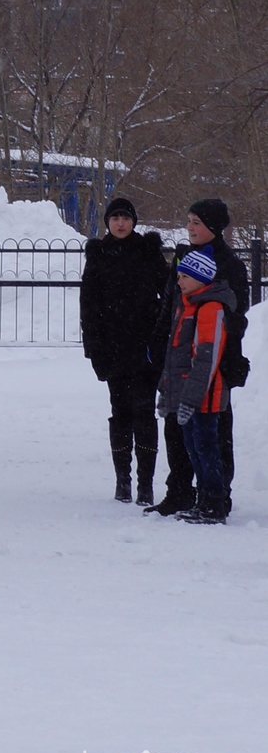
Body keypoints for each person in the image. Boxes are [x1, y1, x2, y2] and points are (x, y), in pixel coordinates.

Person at [147, 199, 251, 518]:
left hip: (214, 359)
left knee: (213, 430)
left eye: (197, 222)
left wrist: (214, 335)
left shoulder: (230, 263)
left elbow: (237, 313)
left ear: (214, 227)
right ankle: (179, 490)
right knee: (176, 427)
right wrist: (160, 336)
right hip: (178, 356)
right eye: (189, 220)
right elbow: (171, 300)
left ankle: (217, 494)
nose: (191, 227)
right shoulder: (183, 255)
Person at [80, 198, 169, 504]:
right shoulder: (99, 255)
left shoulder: (147, 252)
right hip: (113, 349)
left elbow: (169, 293)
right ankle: (123, 481)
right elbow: (88, 306)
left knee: (144, 413)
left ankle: (146, 483)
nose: (120, 223)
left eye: (125, 218)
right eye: (115, 218)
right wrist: (94, 348)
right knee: (120, 414)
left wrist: (159, 337)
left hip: (144, 349)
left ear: (134, 221)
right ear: (107, 222)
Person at [156, 247, 235, 524]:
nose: (178, 282)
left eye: (184, 277)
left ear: (200, 279)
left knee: (206, 448)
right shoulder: (187, 304)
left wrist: (191, 397)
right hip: (187, 395)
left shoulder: (210, 308)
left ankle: (213, 503)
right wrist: (169, 392)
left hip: (204, 397)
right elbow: (175, 355)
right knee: (193, 448)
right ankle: (203, 500)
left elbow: (206, 358)